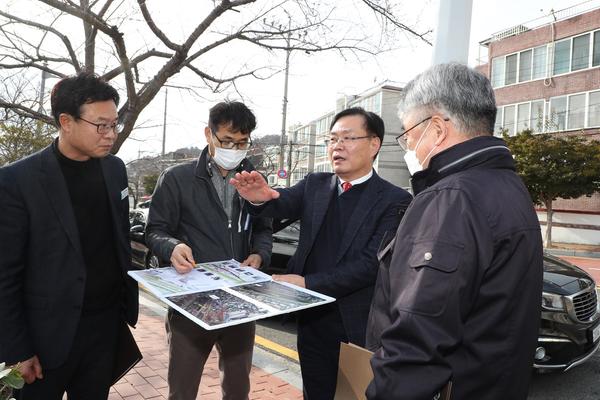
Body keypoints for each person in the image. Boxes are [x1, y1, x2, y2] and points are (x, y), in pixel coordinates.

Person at [366, 63, 543, 400]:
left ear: (436, 129)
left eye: (408, 135)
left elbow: (417, 339)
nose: (408, 148)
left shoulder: (449, 199)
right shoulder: (507, 186)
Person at [230, 107, 412, 400]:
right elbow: (282, 201)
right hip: (314, 322)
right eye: (332, 139)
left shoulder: (395, 200)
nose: (337, 146)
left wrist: (307, 283)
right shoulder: (316, 184)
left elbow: (371, 264)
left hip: (358, 325)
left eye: (348, 138)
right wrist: (261, 200)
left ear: (374, 144)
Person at [0, 72, 139, 399]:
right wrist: (18, 348)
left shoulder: (115, 169)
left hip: (105, 328)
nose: (111, 135)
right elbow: (5, 274)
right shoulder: (17, 181)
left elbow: (118, 239)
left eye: (115, 124)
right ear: (66, 121)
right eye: (101, 125)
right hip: (45, 338)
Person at [145, 100, 272, 400]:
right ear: (208, 134)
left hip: (241, 301)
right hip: (191, 302)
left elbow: (264, 228)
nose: (234, 149)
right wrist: (173, 247)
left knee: (238, 387)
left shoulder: (254, 180)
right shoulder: (177, 178)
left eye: (242, 143)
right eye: (226, 140)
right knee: (183, 387)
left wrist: (260, 253)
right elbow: (154, 231)